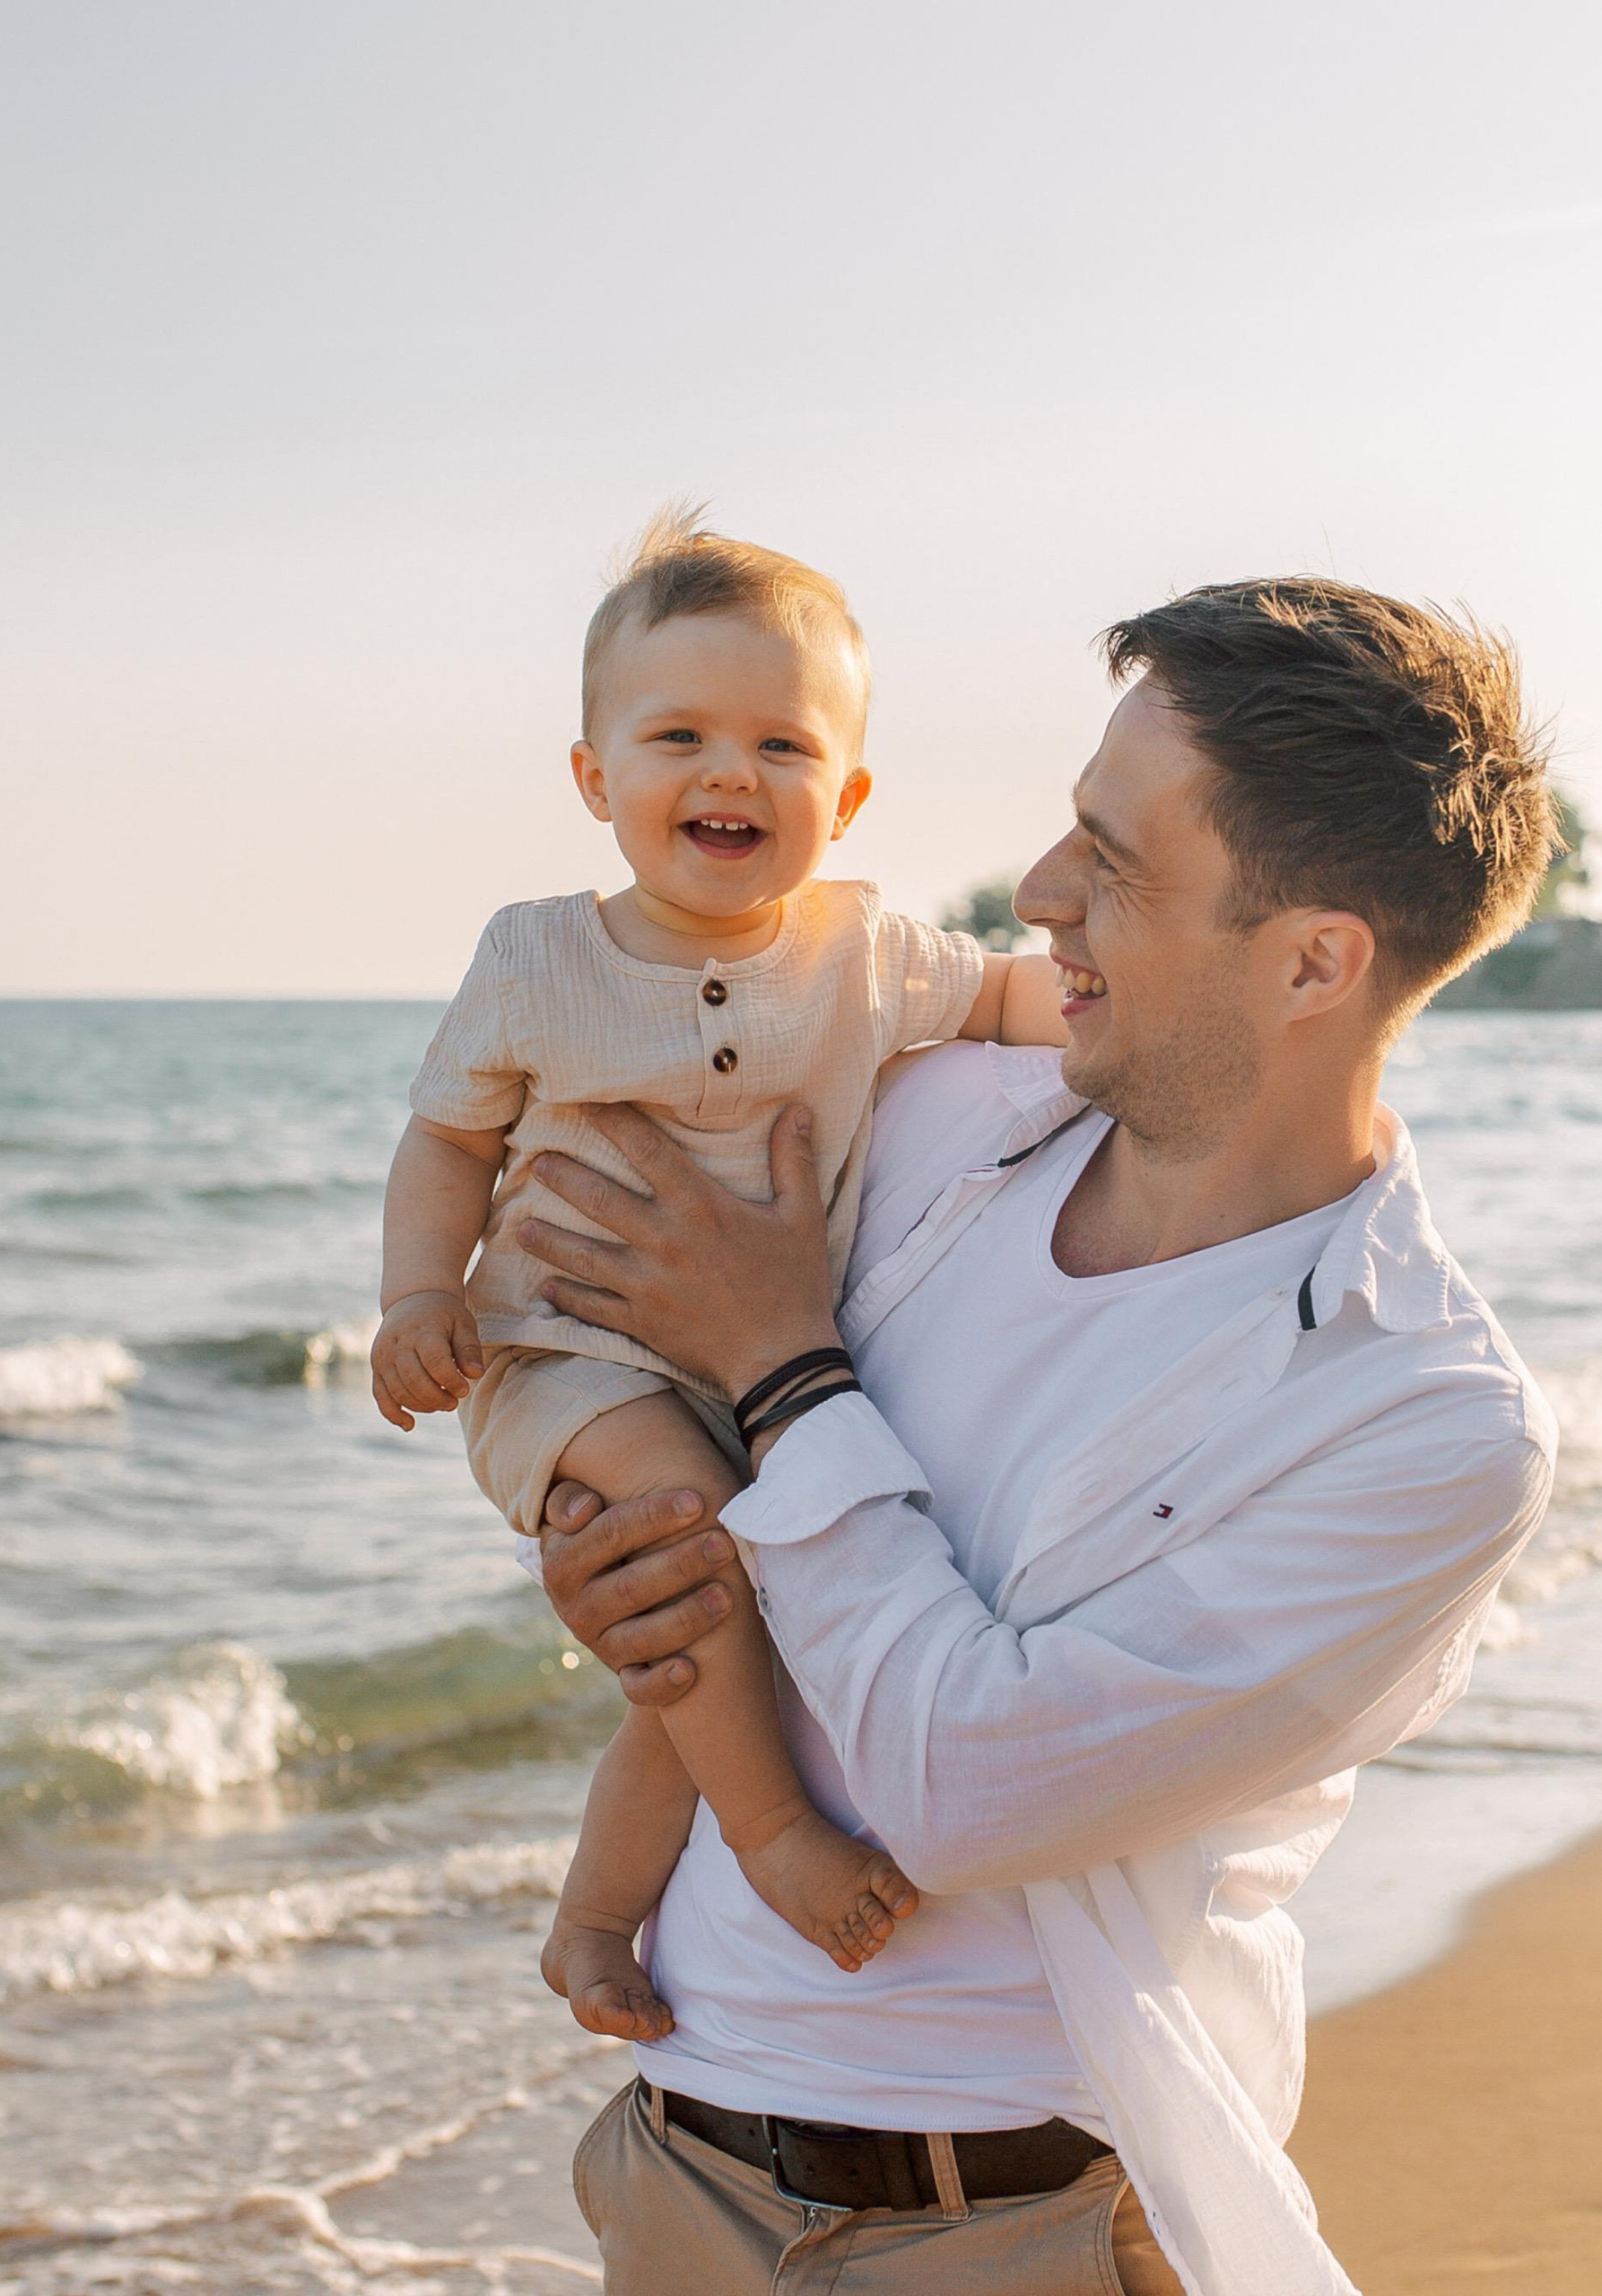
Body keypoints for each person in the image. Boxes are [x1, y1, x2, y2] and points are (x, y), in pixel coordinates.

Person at [518, 575, 1563, 2296]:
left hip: (1017, 2229)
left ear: (1316, 959)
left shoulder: (1421, 1426)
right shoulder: (926, 1121)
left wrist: (783, 1364)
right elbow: (660, 1414)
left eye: (1116, 858)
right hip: (679, 2168)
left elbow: (963, 1786)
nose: (1041, 893)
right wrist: (613, 1556)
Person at [370, 509, 1069, 2007]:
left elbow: (1019, 999)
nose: (731, 772)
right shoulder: (535, 958)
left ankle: (594, 1924)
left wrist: (1159, 1022)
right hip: (567, 1354)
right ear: (595, 778)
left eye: (784, 745)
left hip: (751, 1362)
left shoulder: (867, 955)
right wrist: (417, 1298)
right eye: (677, 734)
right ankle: (774, 1846)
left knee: (720, 1639)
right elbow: (445, 1142)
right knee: (688, 1555)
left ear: (851, 793)